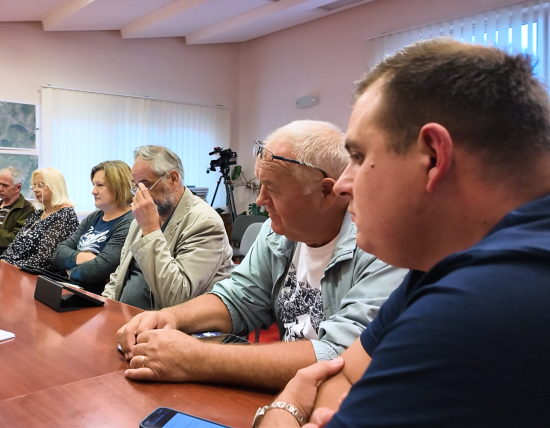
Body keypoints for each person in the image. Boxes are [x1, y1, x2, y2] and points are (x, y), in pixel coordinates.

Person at [256, 39, 550, 428]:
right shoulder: (444, 265)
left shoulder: (486, 301)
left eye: (358, 157)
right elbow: (343, 375)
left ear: (433, 157)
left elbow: (318, 390)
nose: (342, 185)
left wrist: (281, 411)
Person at [117, 122, 404, 391]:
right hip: (289, 392)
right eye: (260, 185)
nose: (260, 200)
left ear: (327, 192)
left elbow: (343, 356)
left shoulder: (383, 248)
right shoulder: (277, 232)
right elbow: (238, 298)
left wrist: (194, 358)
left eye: (273, 189)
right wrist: (169, 317)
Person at [103, 146, 233, 310]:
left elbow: (176, 297)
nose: (139, 195)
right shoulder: (141, 219)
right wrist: (104, 308)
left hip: (167, 323)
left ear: (172, 179)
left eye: (145, 185)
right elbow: (119, 276)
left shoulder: (205, 222)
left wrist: (150, 230)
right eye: (136, 187)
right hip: (124, 316)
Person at [50, 160, 134, 293]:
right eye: (94, 185)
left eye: (100, 185)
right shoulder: (94, 216)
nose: (93, 191)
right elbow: (59, 253)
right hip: (74, 290)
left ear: (119, 186)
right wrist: (85, 258)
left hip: (99, 297)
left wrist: (71, 271)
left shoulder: (130, 221)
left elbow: (98, 270)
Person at [0, 167, 79, 272]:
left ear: (55, 186)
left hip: (39, 275)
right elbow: (14, 245)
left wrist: (15, 267)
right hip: (18, 270)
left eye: (40, 185)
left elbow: (46, 258)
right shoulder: (39, 213)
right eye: (34, 186)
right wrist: (3, 261)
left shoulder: (65, 214)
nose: (35, 189)